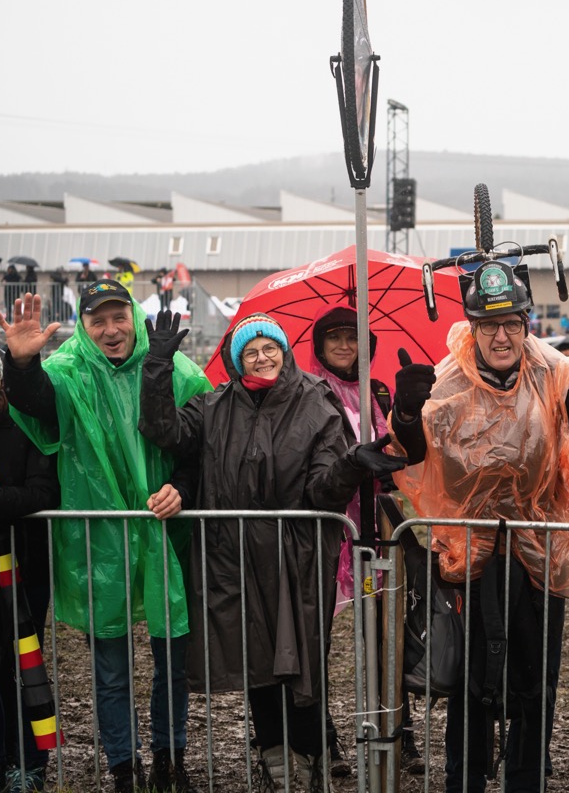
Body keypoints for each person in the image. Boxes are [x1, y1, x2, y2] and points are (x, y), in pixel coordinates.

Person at [389, 259, 569, 793]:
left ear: (527, 323)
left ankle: (525, 780)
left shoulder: (554, 370)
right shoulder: (447, 380)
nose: (502, 335)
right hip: (468, 557)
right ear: (473, 327)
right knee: (469, 684)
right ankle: (464, 780)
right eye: (489, 325)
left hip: (538, 553)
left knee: (536, 681)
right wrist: (404, 412)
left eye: (512, 322)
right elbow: (413, 453)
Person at [138, 311, 404, 793]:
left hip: (296, 556)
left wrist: (350, 466)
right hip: (232, 555)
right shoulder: (213, 406)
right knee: (255, 658)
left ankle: (310, 753)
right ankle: (275, 757)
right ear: (238, 359)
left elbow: (323, 491)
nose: (261, 357)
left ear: (284, 351)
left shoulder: (316, 406)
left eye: (270, 347)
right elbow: (163, 431)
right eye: (250, 351)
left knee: (301, 657)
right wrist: (156, 366)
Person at [0, 282, 212, 793]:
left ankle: (169, 759)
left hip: (164, 531)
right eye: (99, 321)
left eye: (119, 317)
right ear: (85, 327)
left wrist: (180, 489)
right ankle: (122, 767)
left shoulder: (177, 372)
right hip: (101, 541)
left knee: (171, 662)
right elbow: (39, 406)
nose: (111, 330)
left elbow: (198, 446)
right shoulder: (70, 370)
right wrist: (22, 366)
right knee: (110, 667)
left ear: (134, 317)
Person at [304, 304, 418, 777]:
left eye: (353, 338)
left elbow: (399, 452)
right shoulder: (309, 394)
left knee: (385, 637)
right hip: (328, 529)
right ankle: (322, 740)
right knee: (318, 642)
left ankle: (398, 731)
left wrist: (404, 413)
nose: (345, 347)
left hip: (375, 527)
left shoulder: (374, 390)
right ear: (320, 347)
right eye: (335, 339)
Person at [0, 345, 60, 793]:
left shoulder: (22, 424)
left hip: (23, 567)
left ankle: (30, 761)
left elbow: (45, 492)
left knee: (23, 664)